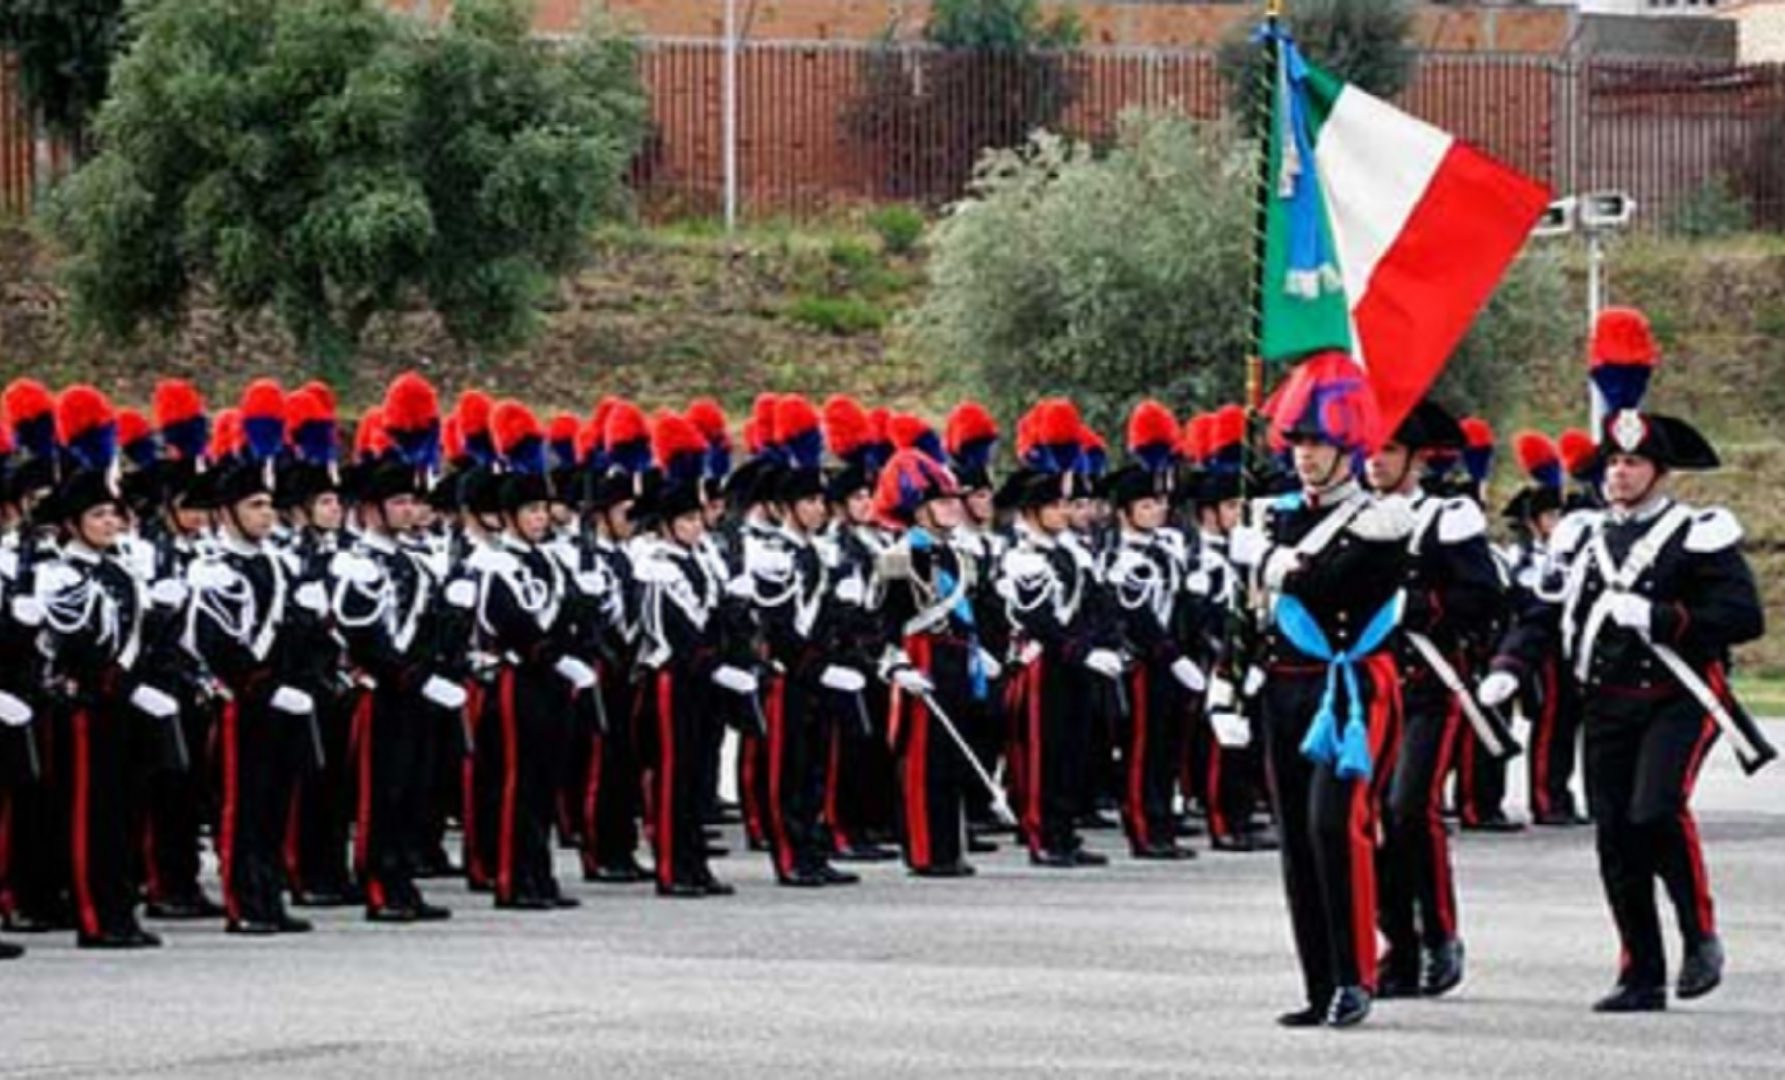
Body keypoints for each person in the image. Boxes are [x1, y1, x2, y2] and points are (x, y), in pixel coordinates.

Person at [1483, 404, 1764, 1012]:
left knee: (1655, 810)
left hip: (1678, 698)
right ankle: (1641, 971)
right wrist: (1510, 666)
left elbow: (1744, 617)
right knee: (1615, 835)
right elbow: (1542, 612)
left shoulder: (1698, 532)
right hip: (1606, 704)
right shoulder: (1582, 535)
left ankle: (1699, 934)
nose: (1619, 473)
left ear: (1660, 472)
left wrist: (1664, 618)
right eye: (1613, 461)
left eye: (1633, 462)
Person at [1228, 353, 1411, 1028]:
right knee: (1296, 842)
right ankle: (1317, 983)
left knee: (1335, 826)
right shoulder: (1271, 517)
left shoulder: (1380, 521)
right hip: (1282, 690)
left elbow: (1336, 584)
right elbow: (1249, 611)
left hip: (1348, 690)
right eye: (1299, 442)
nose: (1306, 456)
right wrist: (1232, 682)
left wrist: (1269, 562)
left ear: (1348, 448)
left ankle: (1356, 975)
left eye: (1321, 443)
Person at [1364, 399, 1504, 999]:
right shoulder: (1353, 516)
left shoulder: (1448, 518)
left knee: (1409, 809)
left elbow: (1484, 600)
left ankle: (1441, 934)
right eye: (1370, 449)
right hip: (1367, 688)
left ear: (1418, 460)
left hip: (1428, 685)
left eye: (1389, 450)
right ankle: (1397, 941)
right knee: (1364, 821)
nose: (1374, 462)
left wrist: (1414, 609)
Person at [34, 386, 183, 948]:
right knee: (90, 817)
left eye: (112, 513)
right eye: (97, 514)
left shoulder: (122, 571)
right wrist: (127, 688)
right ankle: (96, 916)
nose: (109, 522)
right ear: (72, 523)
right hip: (91, 708)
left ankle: (122, 907)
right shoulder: (59, 574)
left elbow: (142, 637)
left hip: (127, 706)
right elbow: (77, 650)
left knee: (125, 812)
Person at [871, 449, 983, 878]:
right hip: (920, 660)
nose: (953, 507)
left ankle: (948, 846)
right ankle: (922, 849)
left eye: (954, 500)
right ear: (919, 509)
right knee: (921, 760)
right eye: (942, 501)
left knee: (950, 758)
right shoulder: (898, 557)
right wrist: (894, 664)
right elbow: (881, 621)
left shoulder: (958, 554)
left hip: (956, 660)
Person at [1101, 401, 1203, 860]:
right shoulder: (1123, 558)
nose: (1158, 510)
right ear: (1125, 511)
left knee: (1167, 746)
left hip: (1173, 658)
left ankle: (1164, 823)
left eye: (1160, 502)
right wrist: (1172, 656)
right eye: (1147, 504)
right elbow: (1137, 618)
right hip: (1146, 663)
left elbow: (1179, 604)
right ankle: (1144, 828)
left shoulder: (1169, 546)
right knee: (1143, 749)